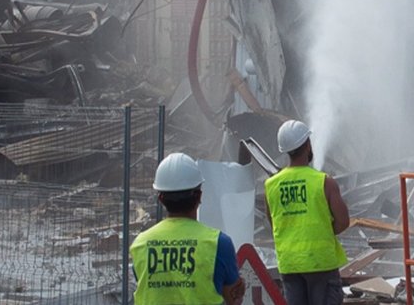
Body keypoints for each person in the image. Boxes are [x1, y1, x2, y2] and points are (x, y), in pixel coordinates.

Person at [131, 153, 246, 305]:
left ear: (160, 199)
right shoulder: (218, 243)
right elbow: (233, 298)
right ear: (199, 196)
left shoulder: (140, 244)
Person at [265, 120, 350, 305]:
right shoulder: (324, 182)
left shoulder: (271, 185)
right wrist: (322, 232)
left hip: (290, 264)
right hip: (321, 263)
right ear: (307, 145)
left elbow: (274, 223)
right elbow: (343, 221)